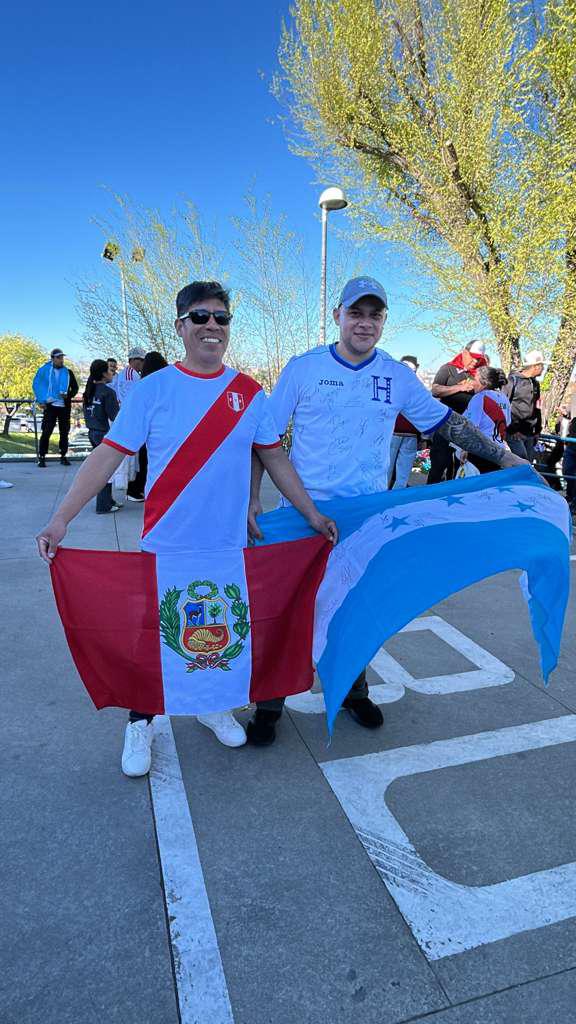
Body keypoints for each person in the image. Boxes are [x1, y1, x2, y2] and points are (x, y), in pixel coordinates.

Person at [36, 280, 337, 779]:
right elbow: (107, 456)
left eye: (221, 317)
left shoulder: (248, 393)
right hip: (167, 542)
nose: (212, 326)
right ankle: (141, 718)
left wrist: (310, 513)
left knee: (218, 630)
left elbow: (274, 457)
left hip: (225, 546)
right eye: (200, 317)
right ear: (181, 326)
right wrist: (61, 518)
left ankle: (211, 704)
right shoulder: (153, 390)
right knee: (149, 636)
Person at [247, 278, 527, 746]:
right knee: (290, 609)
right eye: (356, 313)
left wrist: (503, 457)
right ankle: (269, 704)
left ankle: (354, 691)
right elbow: (263, 438)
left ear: (383, 322)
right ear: (338, 315)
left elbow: (449, 424)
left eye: (374, 315)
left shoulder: (396, 376)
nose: (365, 323)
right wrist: (253, 498)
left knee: (357, 607)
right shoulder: (303, 368)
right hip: (302, 512)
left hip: (366, 517)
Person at [427, 341, 488, 483]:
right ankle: (429, 497)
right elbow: (435, 390)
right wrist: (458, 388)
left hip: (468, 427)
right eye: (473, 357)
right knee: (439, 465)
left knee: (460, 468)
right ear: (464, 352)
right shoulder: (448, 369)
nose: (475, 361)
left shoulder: (480, 374)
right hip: (445, 426)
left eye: (479, 358)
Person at [83, 359, 121, 514]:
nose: (112, 372)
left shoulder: (89, 390)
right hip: (104, 434)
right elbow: (115, 417)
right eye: (110, 370)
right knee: (105, 469)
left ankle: (108, 500)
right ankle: (103, 505)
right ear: (104, 374)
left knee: (101, 467)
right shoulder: (107, 392)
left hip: (92, 432)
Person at [458, 366, 511, 473]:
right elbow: (508, 422)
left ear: (484, 383)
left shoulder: (479, 398)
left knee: (474, 487)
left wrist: (464, 450)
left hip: (480, 450)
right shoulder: (504, 398)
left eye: (475, 379)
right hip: (497, 451)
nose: (473, 383)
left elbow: (471, 427)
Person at [32, 348, 79, 467]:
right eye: (58, 357)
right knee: (47, 432)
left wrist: (68, 395)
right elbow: (37, 385)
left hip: (64, 407)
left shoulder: (68, 372)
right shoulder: (44, 371)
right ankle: (42, 457)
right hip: (50, 406)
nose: (61, 360)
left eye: (62, 357)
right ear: (52, 358)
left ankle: (63, 456)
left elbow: (75, 388)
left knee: (64, 432)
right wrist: (41, 400)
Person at [112, 347, 147, 501]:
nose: (142, 364)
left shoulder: (128, 374)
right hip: (131, 419)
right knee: (131, 456)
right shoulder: (129, 375)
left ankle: (132, 489)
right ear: (133, 360)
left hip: (129, 418)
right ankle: (131, 490)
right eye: (141, 360)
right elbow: (133, 399)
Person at [504, 350, 544, 463]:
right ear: (536, 366)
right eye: (542, 365)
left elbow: (536, 408)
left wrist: (537, 431)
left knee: (528, 465)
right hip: (514, 434)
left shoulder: (535, 384)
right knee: (521, 465)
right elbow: (503, 406)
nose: (543, 368)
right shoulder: (512, 381)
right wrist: (512, 430)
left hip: (529, 434)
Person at [388, 355, 420, 489]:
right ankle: (395, 500)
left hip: (395, 432)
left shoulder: (391, 384)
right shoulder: (417, 387)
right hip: (407, 433)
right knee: (402, 474)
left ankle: (381, 498)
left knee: (387, 469)